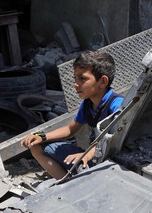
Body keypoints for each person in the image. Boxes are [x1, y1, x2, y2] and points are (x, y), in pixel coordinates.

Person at [21, 50, 124, 179]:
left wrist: (87, 154)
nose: (76, 84)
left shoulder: (117, 104)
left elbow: (115, 140)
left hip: (111, 162)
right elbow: (70, 129)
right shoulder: (88, 103)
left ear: (102, 82)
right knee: (36, 147)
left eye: (82, 78)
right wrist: (42, 136)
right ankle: (67, 184)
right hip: (91, 157)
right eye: (75, 78)